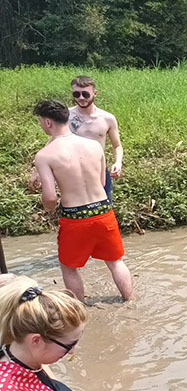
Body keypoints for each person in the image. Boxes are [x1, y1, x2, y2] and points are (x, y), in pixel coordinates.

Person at [32, 100, 133, 301]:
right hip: (104, 211)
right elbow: (102, 181)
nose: (41, 125)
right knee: (115, 262)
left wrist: (48, 208)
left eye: (41, 121)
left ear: (48, 123)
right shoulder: (94, 145)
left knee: (69, 269)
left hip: (75, 218)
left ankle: (78, 311)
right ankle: (130, 301)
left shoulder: (44, 156)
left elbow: (51, 197)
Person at [66, 76, 124, 205]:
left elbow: (117, 146)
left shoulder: (107, 118)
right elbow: (54, 141)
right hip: (72, 172)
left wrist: (118, 163)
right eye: (76, 94)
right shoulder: (66, 116)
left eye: (85, 94)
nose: (81, 98)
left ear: (95, 93)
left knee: (103, 209)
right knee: (74, 210)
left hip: (99, 171)